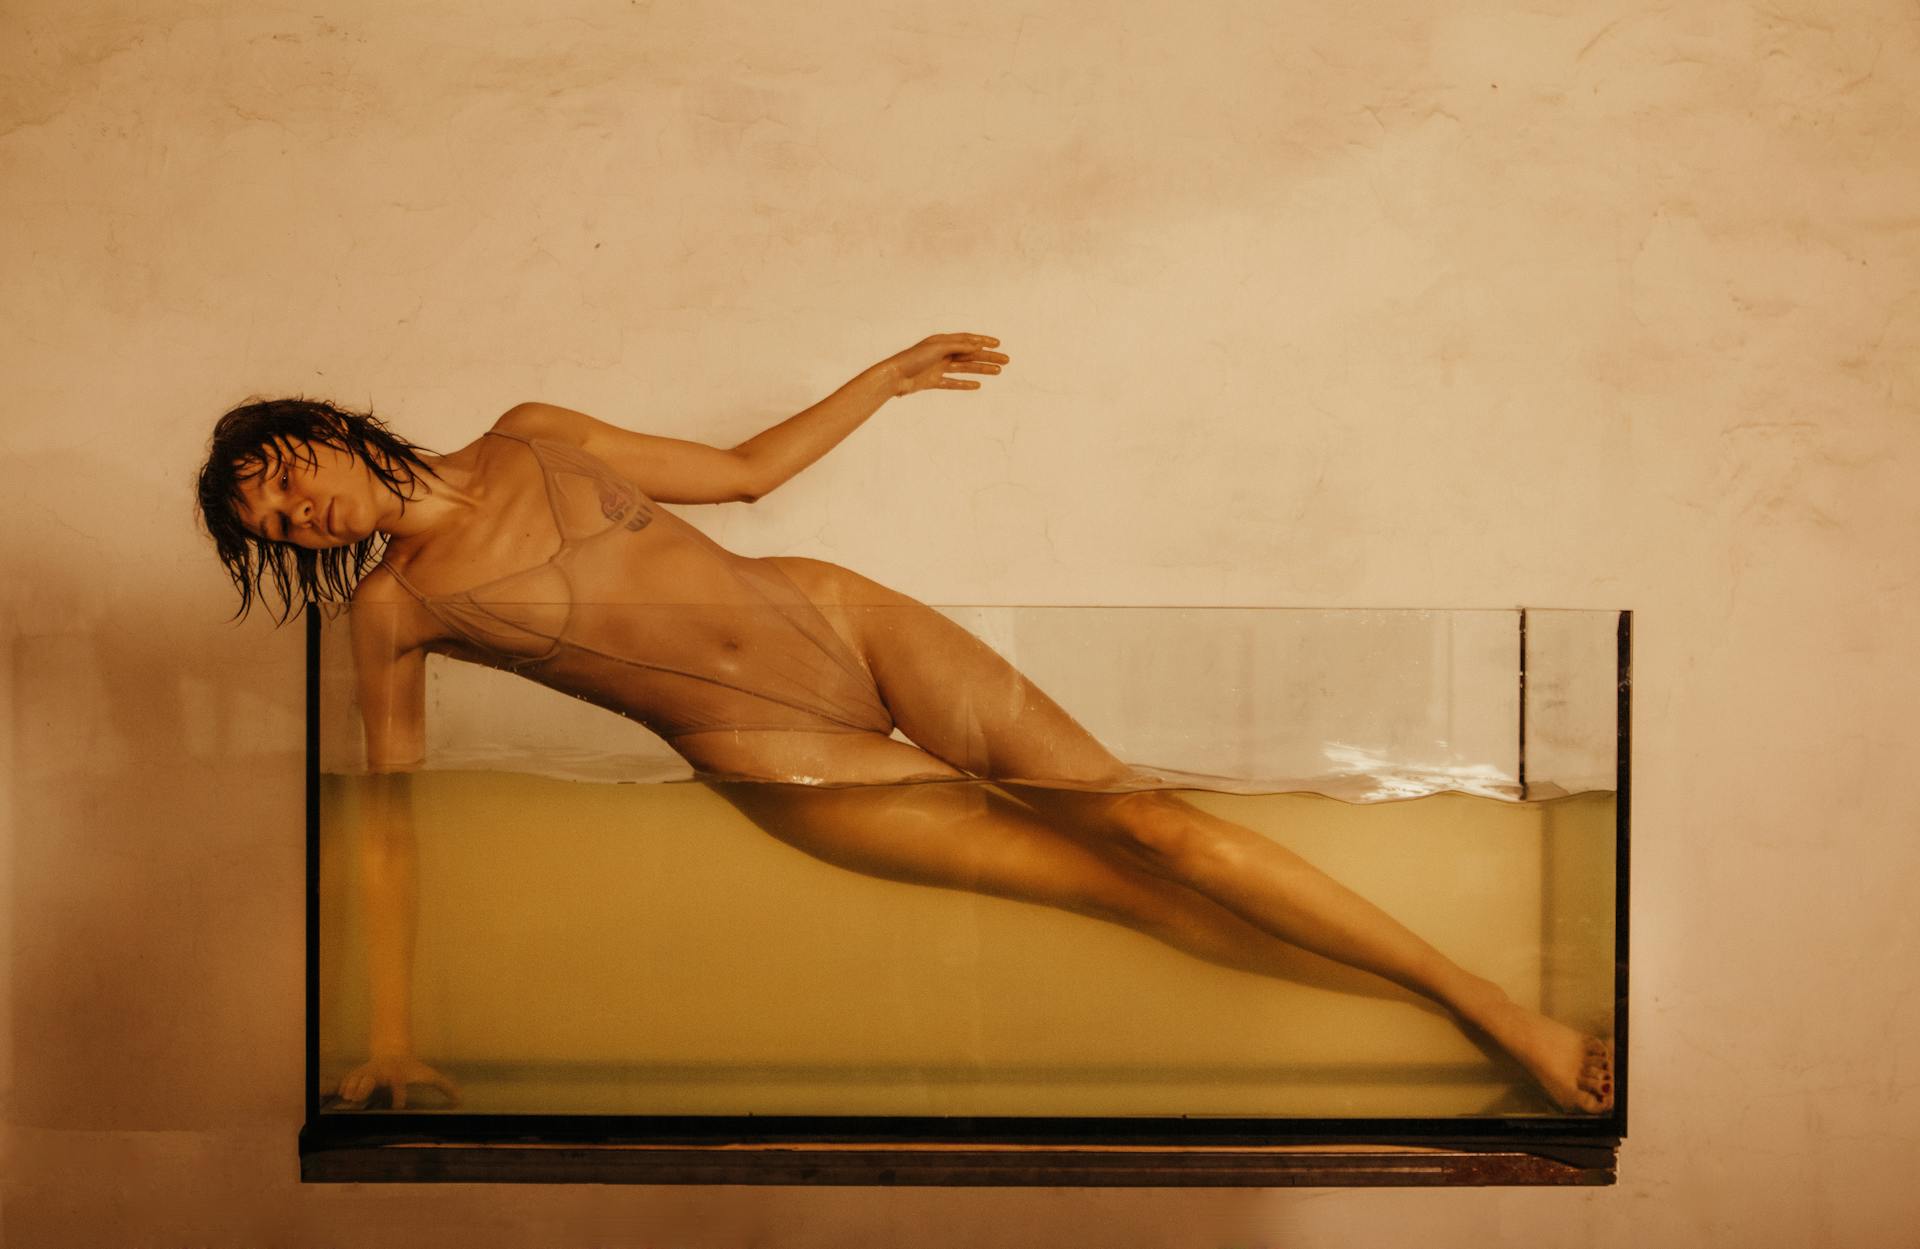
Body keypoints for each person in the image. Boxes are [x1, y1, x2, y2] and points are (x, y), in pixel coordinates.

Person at [197, 333, 1613, 1114]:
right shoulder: (390, 610)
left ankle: (1489, 1004)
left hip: (848, 620)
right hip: (791, 762)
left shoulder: (535, 427)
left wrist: (881, 378)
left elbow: (747, 475)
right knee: (1126, 894)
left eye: (282, 472)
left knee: (1158, 823)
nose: (300, 508)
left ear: (320, 424)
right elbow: (385, 827)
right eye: (275, 522)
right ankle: (1457, 1020)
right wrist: (385, 1034)